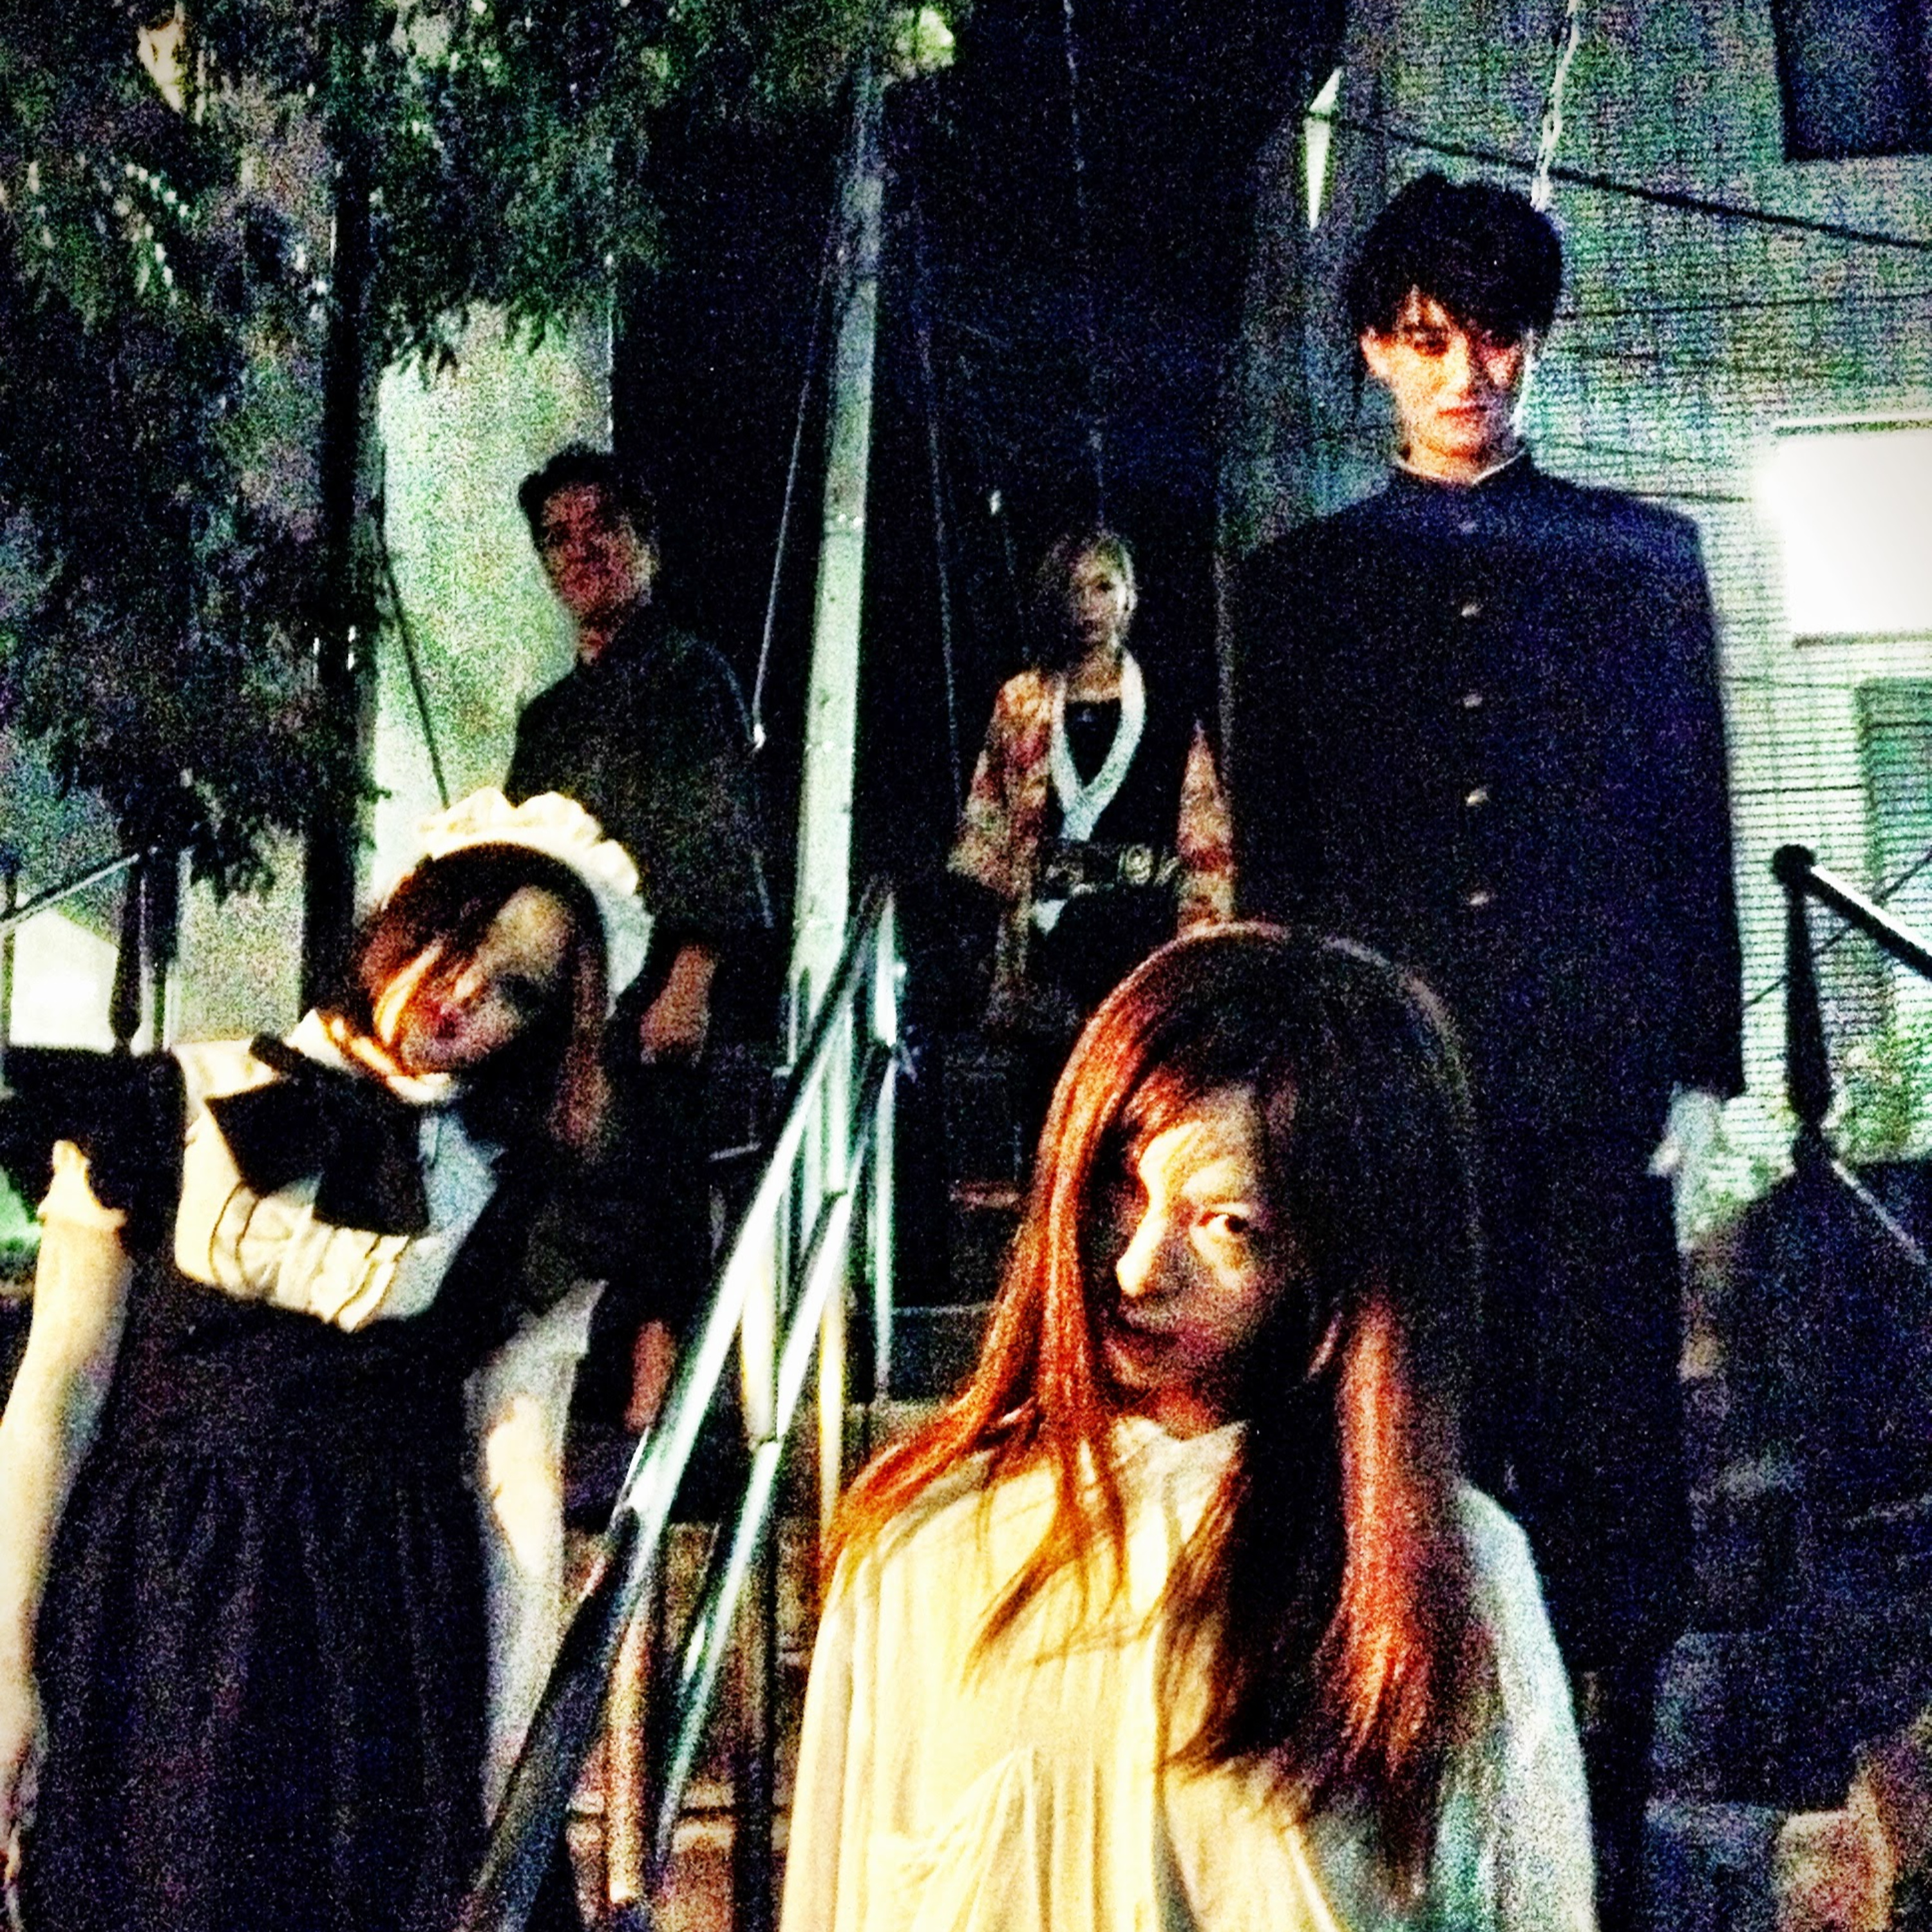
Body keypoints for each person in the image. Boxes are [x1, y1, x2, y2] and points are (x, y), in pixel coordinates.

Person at [1229, 172, 1745, 1929]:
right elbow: (1283, 875)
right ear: (1376, 350)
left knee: (1608, 1491)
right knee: (1398, 1480)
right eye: (1429, 338)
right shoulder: (1295, 591)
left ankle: (1603, 1854)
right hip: (1392, 1119)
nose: (1468, 373)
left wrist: (1701, 1061)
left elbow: (1691, 815)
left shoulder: (1638, 559)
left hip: (1591, 1111)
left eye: (1498, 336)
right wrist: (1286, 1091)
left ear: (1534, 342)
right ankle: (1423, 1856)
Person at [782, 924, 1595, 1932]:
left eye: (1229, 1224)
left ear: (1342, 1254)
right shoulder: (923, 1542)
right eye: (1120, 1189)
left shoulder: (1447, 1575)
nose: (1137, 1269)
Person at [0, 787, 652, 1932]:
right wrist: (5, 1663)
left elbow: (518, 1489)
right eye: (458, 940)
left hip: (380, 1648)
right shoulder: (173, 1105)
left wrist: (509, 1776)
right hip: (148, 1621)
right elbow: (52, 1404)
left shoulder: (520, 1202)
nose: (463, 993)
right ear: (402, 915)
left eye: (517, 991)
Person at [507, 444, 770, 1441]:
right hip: (563, 994)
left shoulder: (692, 677)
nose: (581, 551)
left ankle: (657, 1404)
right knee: (557, 1190)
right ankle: (567, 1394)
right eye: (559, 538)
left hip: (656, 983)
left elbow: (716, 828)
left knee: (654, 1180)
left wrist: (692, 977)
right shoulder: (548, 717)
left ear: (645, 544)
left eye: (601, 528)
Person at [949, 529, 1233, 1126]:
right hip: (1050, 942)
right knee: (1051, 1114)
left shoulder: (1168, 702)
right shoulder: (1022, 701)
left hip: (1140, 933)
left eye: (1103, 587)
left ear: (1129, 596)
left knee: (1138, 1111)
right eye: (1073, 590)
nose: (1088, 606)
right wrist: (987, 947)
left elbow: (1204, 835)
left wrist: (1200, 948)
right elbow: (987, 821)